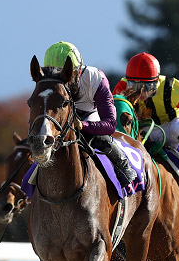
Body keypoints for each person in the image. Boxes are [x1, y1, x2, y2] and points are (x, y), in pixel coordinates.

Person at [111, 52, 179, 191]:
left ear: (156, 82)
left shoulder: (174, 88)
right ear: (128, 81)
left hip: (171, 127)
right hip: (142, 131)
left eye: (146, 87)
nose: (140, 94)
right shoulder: (122, 87)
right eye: (134, 86)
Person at [42, 41, 136, 188]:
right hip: (60, 122)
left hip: (89, 117)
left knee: (102, 139)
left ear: (78, 72)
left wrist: (83, 125)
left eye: (67, 75)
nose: (62, 83)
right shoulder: (46, 86)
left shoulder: (96, 80)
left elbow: (110, 125)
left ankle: (124, 168)